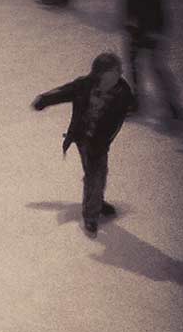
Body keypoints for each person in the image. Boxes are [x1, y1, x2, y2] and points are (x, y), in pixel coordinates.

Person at [32, 53, 134, 237]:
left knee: (96, 175)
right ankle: (93, 208)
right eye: (107, 76)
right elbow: (65, 91)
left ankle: (93, 208)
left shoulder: (123, 94)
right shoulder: (85, 84)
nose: (113, 79)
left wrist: (102, 142)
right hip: (81, 138)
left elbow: (114, 124)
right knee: (94, 175)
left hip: (99, 144)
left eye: (116, 74)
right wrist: (45, 99)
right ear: (98, 75)